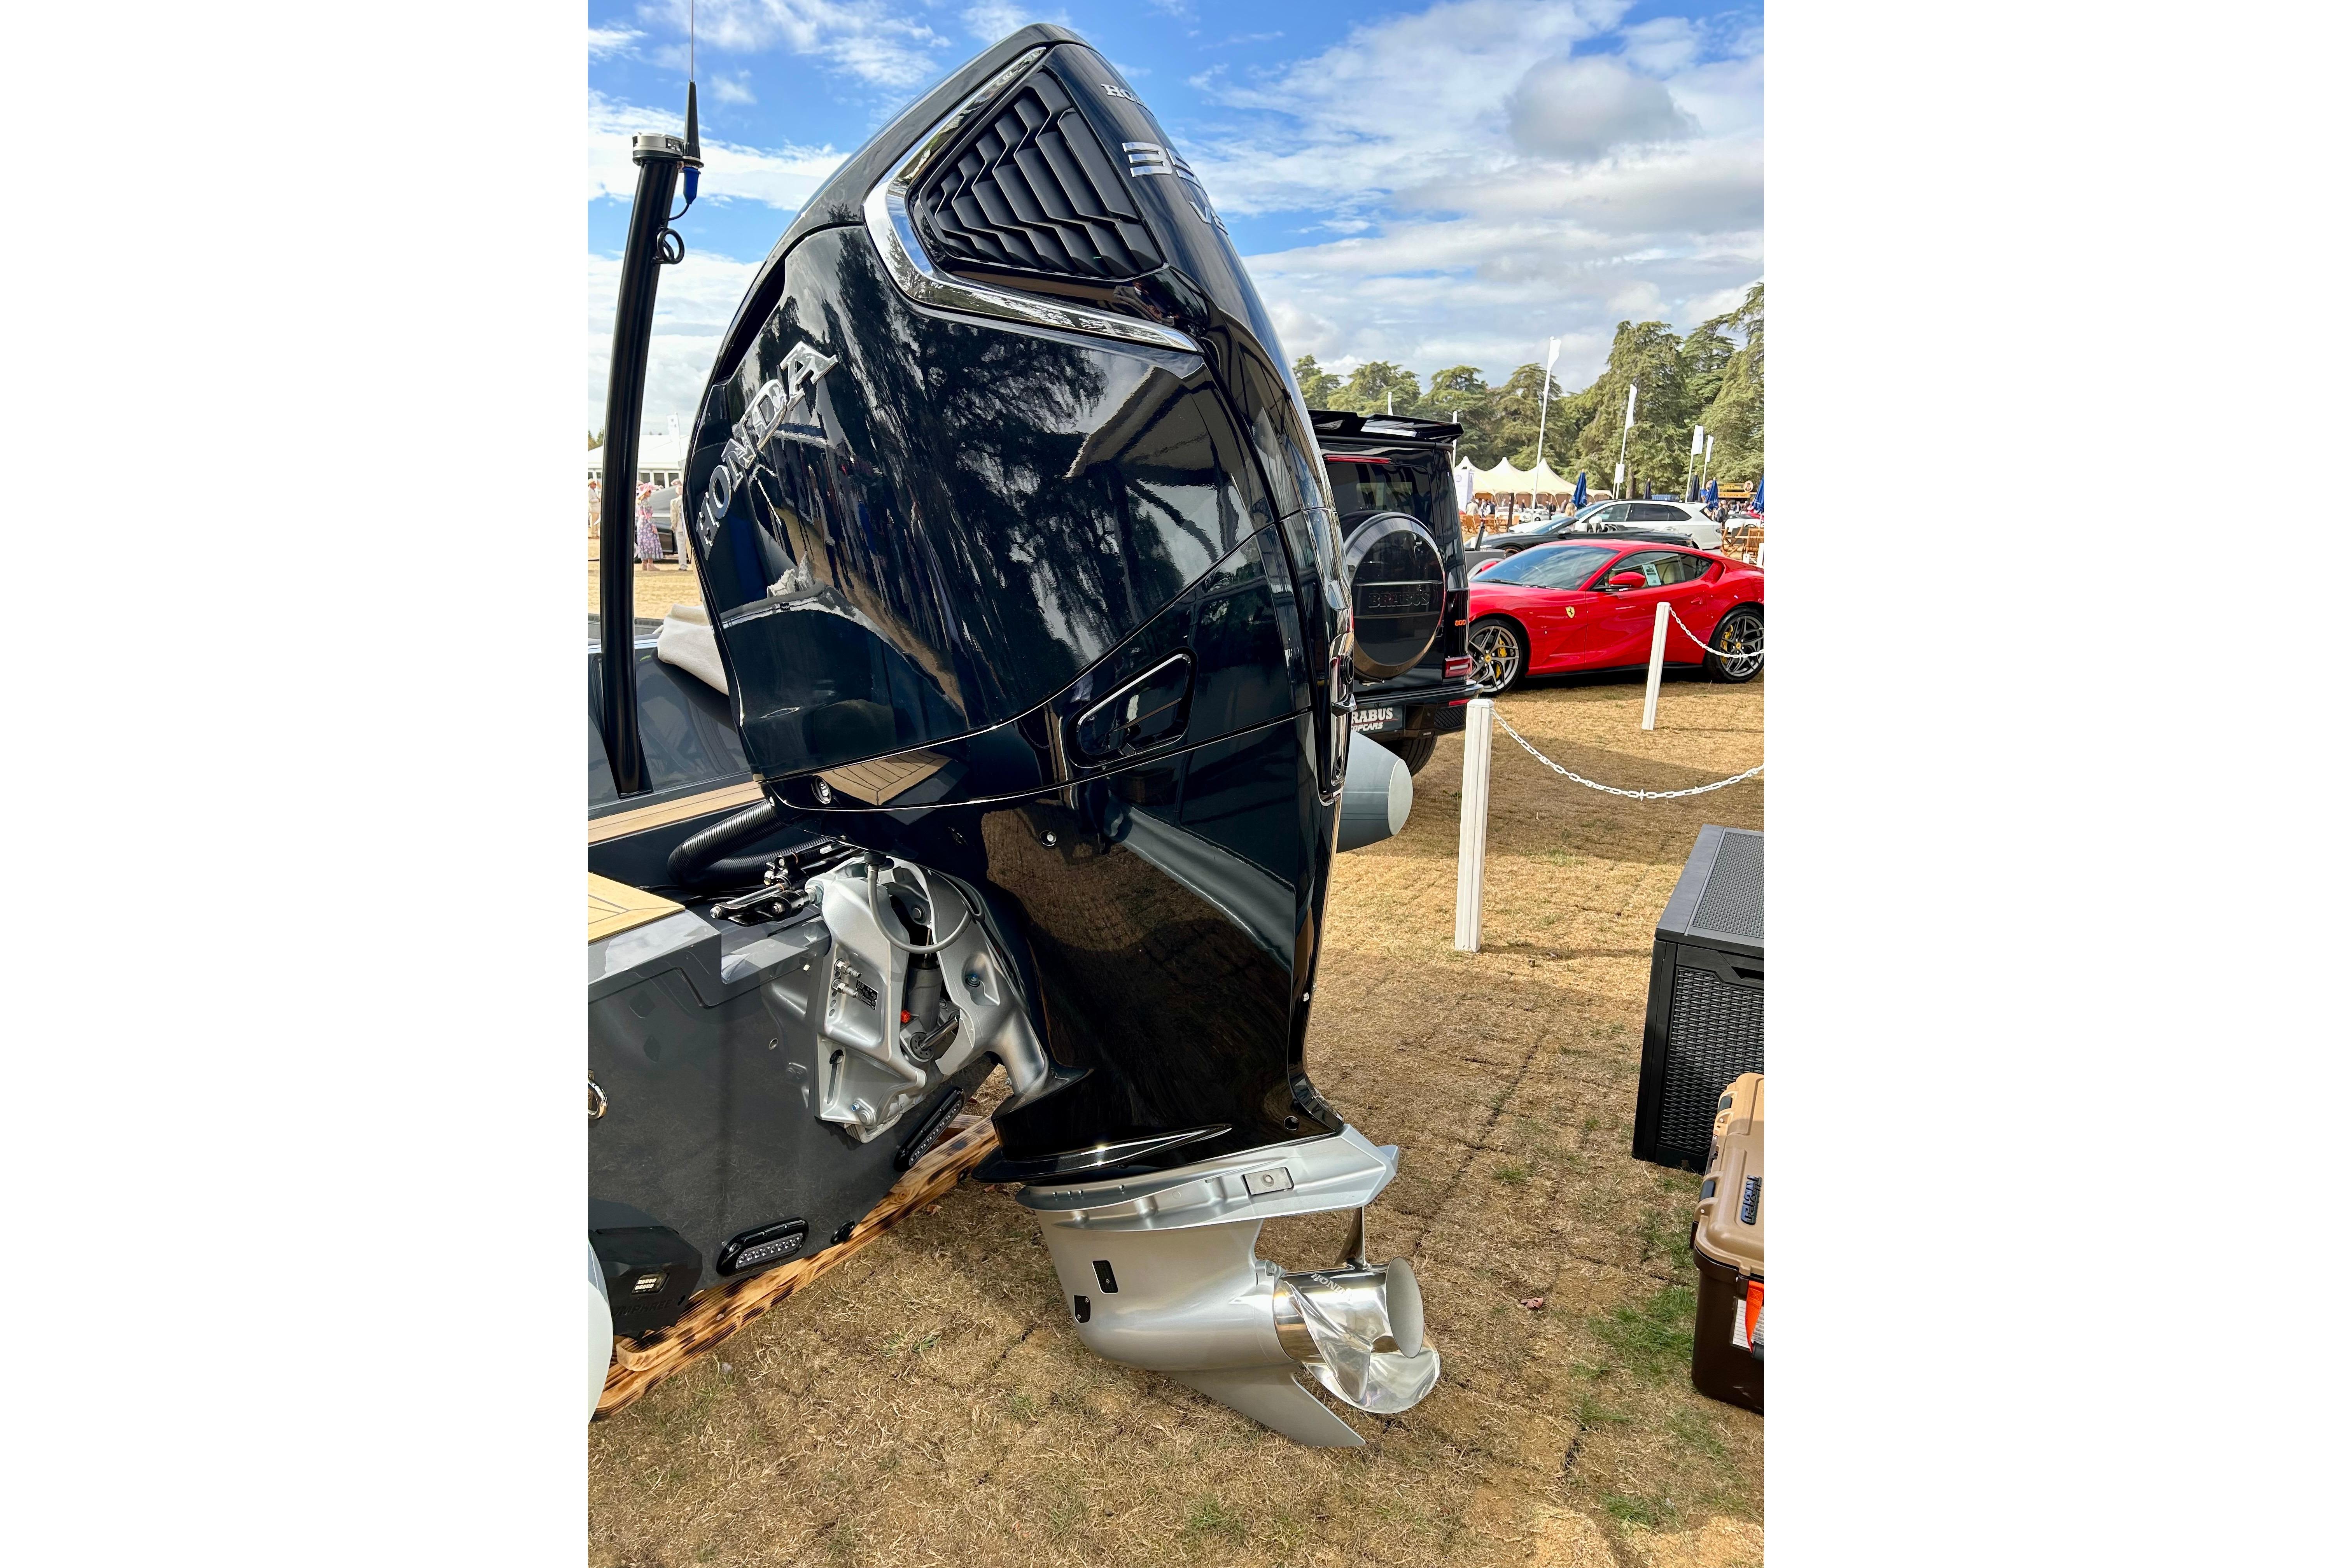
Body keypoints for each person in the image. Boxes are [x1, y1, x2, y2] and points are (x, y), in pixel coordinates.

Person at [635, 480, 664, 571]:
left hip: (641, 523)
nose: (651, 493)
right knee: (651, 543)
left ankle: (644, 563)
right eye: (649, 491)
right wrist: (654, 527)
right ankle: (650, 564)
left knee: (643, 543)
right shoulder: (646, 503)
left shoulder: (639, 503)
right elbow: (648, 516)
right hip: (647, 524)